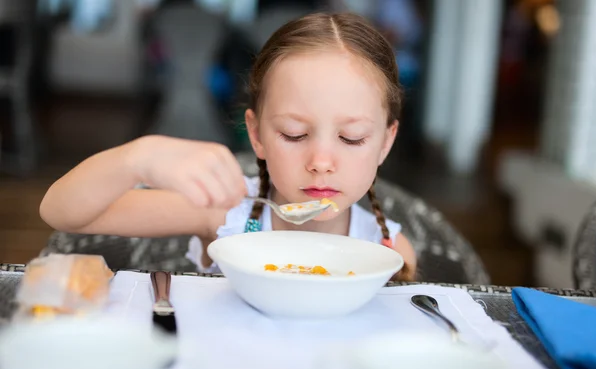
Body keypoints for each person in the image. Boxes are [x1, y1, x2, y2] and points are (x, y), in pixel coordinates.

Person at [39, 12, 417, 281]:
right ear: (256, 135)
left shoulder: (389, 252)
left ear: (385, 142)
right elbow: (62, 212)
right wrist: (139, 156)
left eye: (351, 138)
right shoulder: (226, 215)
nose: (320, 162)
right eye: (293, 134)